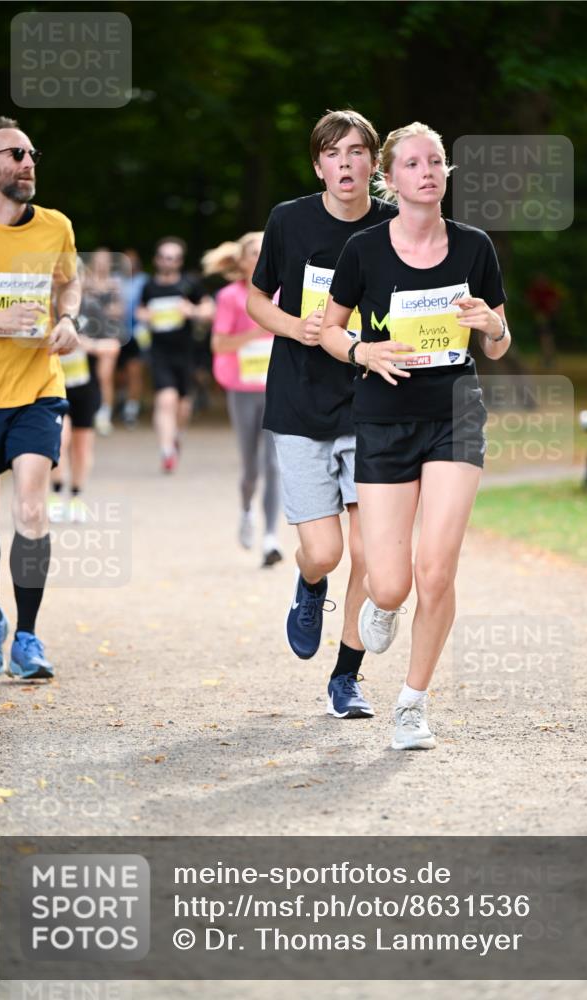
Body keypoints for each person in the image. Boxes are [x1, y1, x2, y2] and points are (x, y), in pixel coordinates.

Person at [320, 122, 511, 749]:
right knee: (391, 581)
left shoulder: (475, 246)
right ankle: (382, 600)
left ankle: (412, 702)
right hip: (383, 417)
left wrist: (490, 325)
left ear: (445, 175)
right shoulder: (365, 251)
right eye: (412, 163)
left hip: (456, 414)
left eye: (436, 162)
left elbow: (500, 340)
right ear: (391, 178)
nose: (426, 171)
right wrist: (362, 352)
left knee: (436, 570)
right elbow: (328, 330)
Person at [247, 109, 397, 720]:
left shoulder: (395, 225)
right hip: (301, 400)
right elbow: (258, 300)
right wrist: (299, 329)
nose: (346, 163)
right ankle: (310, 586)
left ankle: (346, 678)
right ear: (319, 165)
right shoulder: (289, 219)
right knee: (327, 553)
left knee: (371, 553)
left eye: (358, 152)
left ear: (373, 164)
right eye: (334, 153)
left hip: (374, 403)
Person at [0, 114, 80, 679]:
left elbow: (70, 280)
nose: (27, 162)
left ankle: (30, 638)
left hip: (37, 389)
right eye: (14, 154)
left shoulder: (55, 226)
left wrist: (68, 317)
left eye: (31, 154)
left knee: (31, 508)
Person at [204, 233, 283, 567]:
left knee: (274, 465)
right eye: (254, 252)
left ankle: (270, 539)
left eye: (266, 250)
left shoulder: (285, 293)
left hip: (277, 389)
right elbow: (219, 345)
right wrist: (256, 332)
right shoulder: (230, 297)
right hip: (242, 388)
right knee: (251, 468)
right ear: (242, 261)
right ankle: (247, 509)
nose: (261, 256)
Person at [49, 262, 121, 522]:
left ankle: (77, 496)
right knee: (59, 439)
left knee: (81, 446)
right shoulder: (43, 308)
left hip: (84, 387)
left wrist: (87, 345)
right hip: (52, 387)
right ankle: (55, 493)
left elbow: (113, 346)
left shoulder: (91, 309)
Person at [136, 237, 214, 472]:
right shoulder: (149, 286)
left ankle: (176, 436)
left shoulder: (190, 285)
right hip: (160, 352)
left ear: (179, 261)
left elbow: (210, 310)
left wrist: (192, 311)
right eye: (163, 257)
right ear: (156, 259)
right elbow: (140, 310)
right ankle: (166, 451)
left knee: (183, 407)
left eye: (173, 258)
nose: (167, 261)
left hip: (187, 352)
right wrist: (144, 316)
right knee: (165, 399)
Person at [83, 248, 125, 436]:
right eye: (98, 260)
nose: (101, 264)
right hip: (87, 334)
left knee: (105, 376)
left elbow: (118, 310)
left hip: (107, 334)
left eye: (105, 261)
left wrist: (97, 309)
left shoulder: (114, 284)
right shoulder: (85, 282)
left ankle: (104, 414)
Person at [116, 247, 148, 427]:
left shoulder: (144, 281)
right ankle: (121, 399)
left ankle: (131, 408)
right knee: (119, 374)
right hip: (118, 334)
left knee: (135, 371)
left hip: (137, 333)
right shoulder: (115, 281)